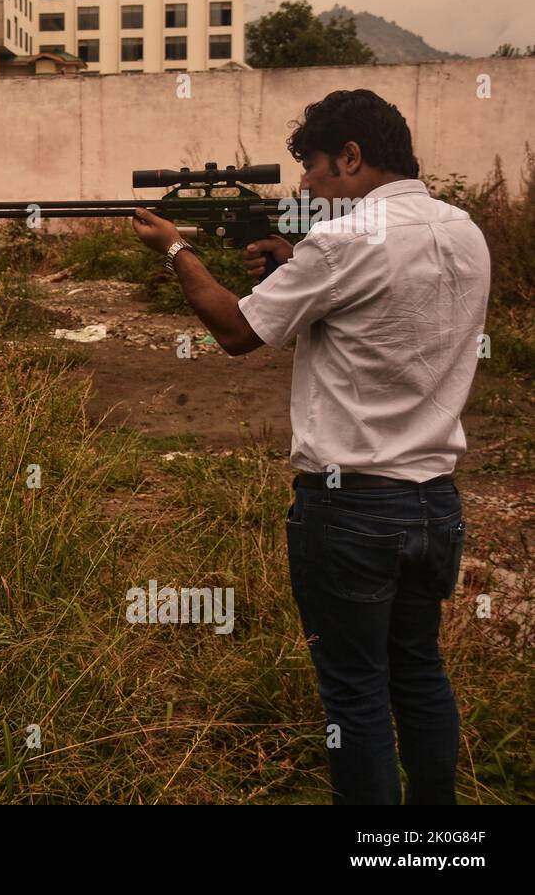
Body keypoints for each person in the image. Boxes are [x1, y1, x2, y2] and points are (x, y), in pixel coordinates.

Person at [129, 89, 491, 804]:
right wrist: (294, 261)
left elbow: (236, 333)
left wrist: (174, 248)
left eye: (315, 169)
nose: (308, 187)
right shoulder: (464, 232)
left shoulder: (347, 240)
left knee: (354, 697)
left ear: (351, 157)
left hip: (350, 506)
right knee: (418, 673)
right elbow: (383, 309)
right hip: (434, 504)